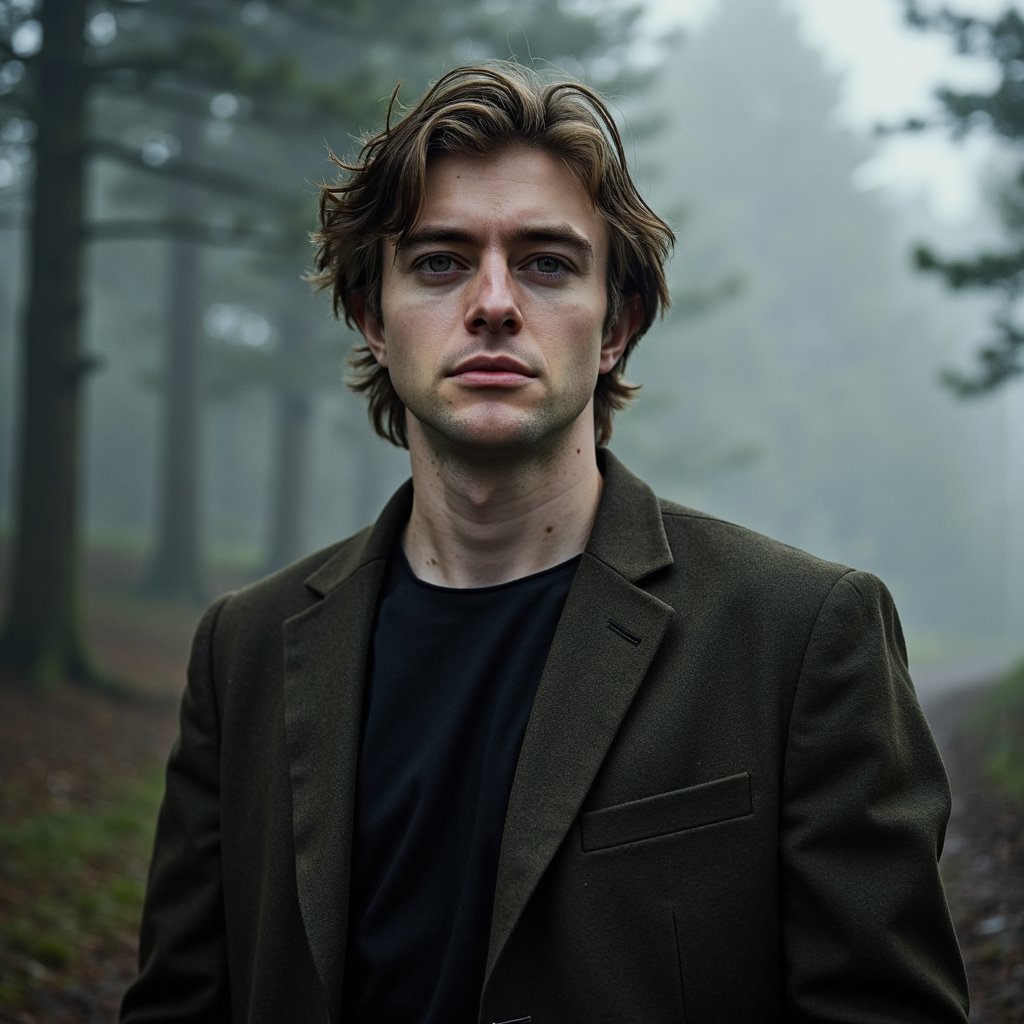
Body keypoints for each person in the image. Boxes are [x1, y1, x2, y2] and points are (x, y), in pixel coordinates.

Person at [120, 63, 970, 1023]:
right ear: (371, 316)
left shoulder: (803, 635)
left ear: (619, 324)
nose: (491, 302)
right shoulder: (245, 649)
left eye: (547, 262)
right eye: (439, 261)